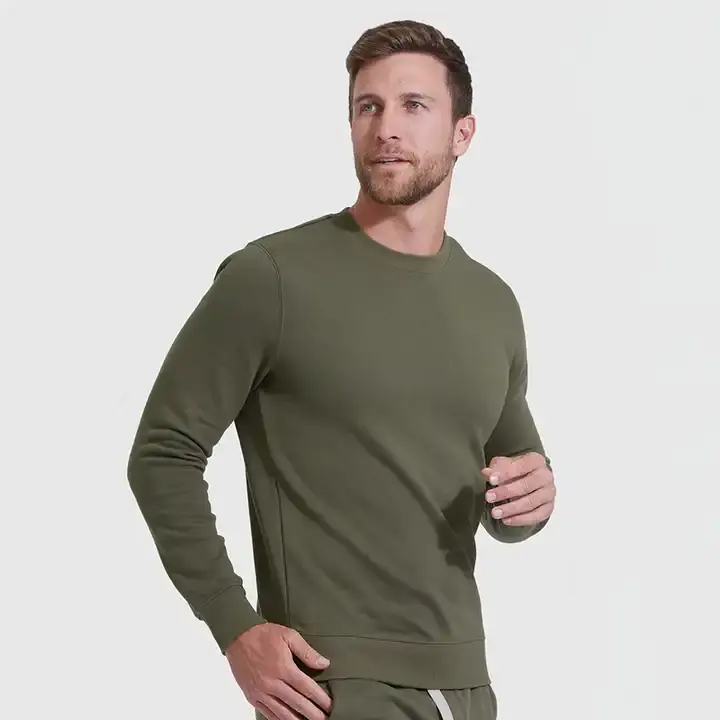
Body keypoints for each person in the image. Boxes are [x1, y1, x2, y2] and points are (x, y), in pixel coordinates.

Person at [127, 18, 556, 720]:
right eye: (368, 106)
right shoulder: (272, 278)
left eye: (414, 105)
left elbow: (508, 484)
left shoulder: (492, 302)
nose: (386, 128)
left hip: (467, 685)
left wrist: (532, 496)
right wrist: (235, 627)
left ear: (463, 132)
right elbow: (163, 452)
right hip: (332, 683)